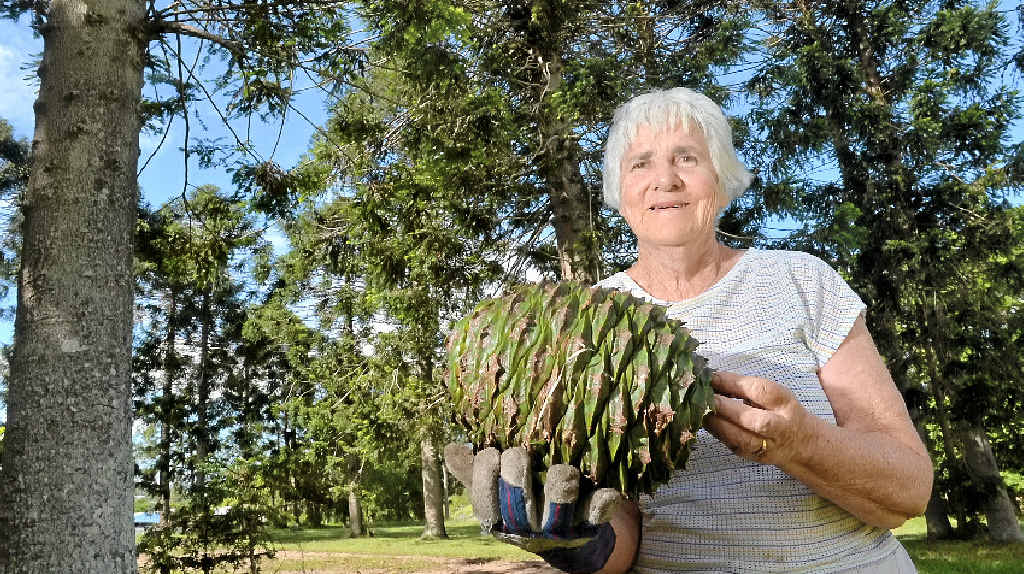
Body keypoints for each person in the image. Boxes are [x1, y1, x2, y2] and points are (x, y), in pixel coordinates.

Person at [453, 87, 933, 574]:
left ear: (723, 183)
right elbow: (622, 533)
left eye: (687, 158)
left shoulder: (801, 281)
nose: (665, 179)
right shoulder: (584, 324)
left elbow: (909, 490)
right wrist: (578, 543)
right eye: (640, 164)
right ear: (620, 194)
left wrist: (801, 443)